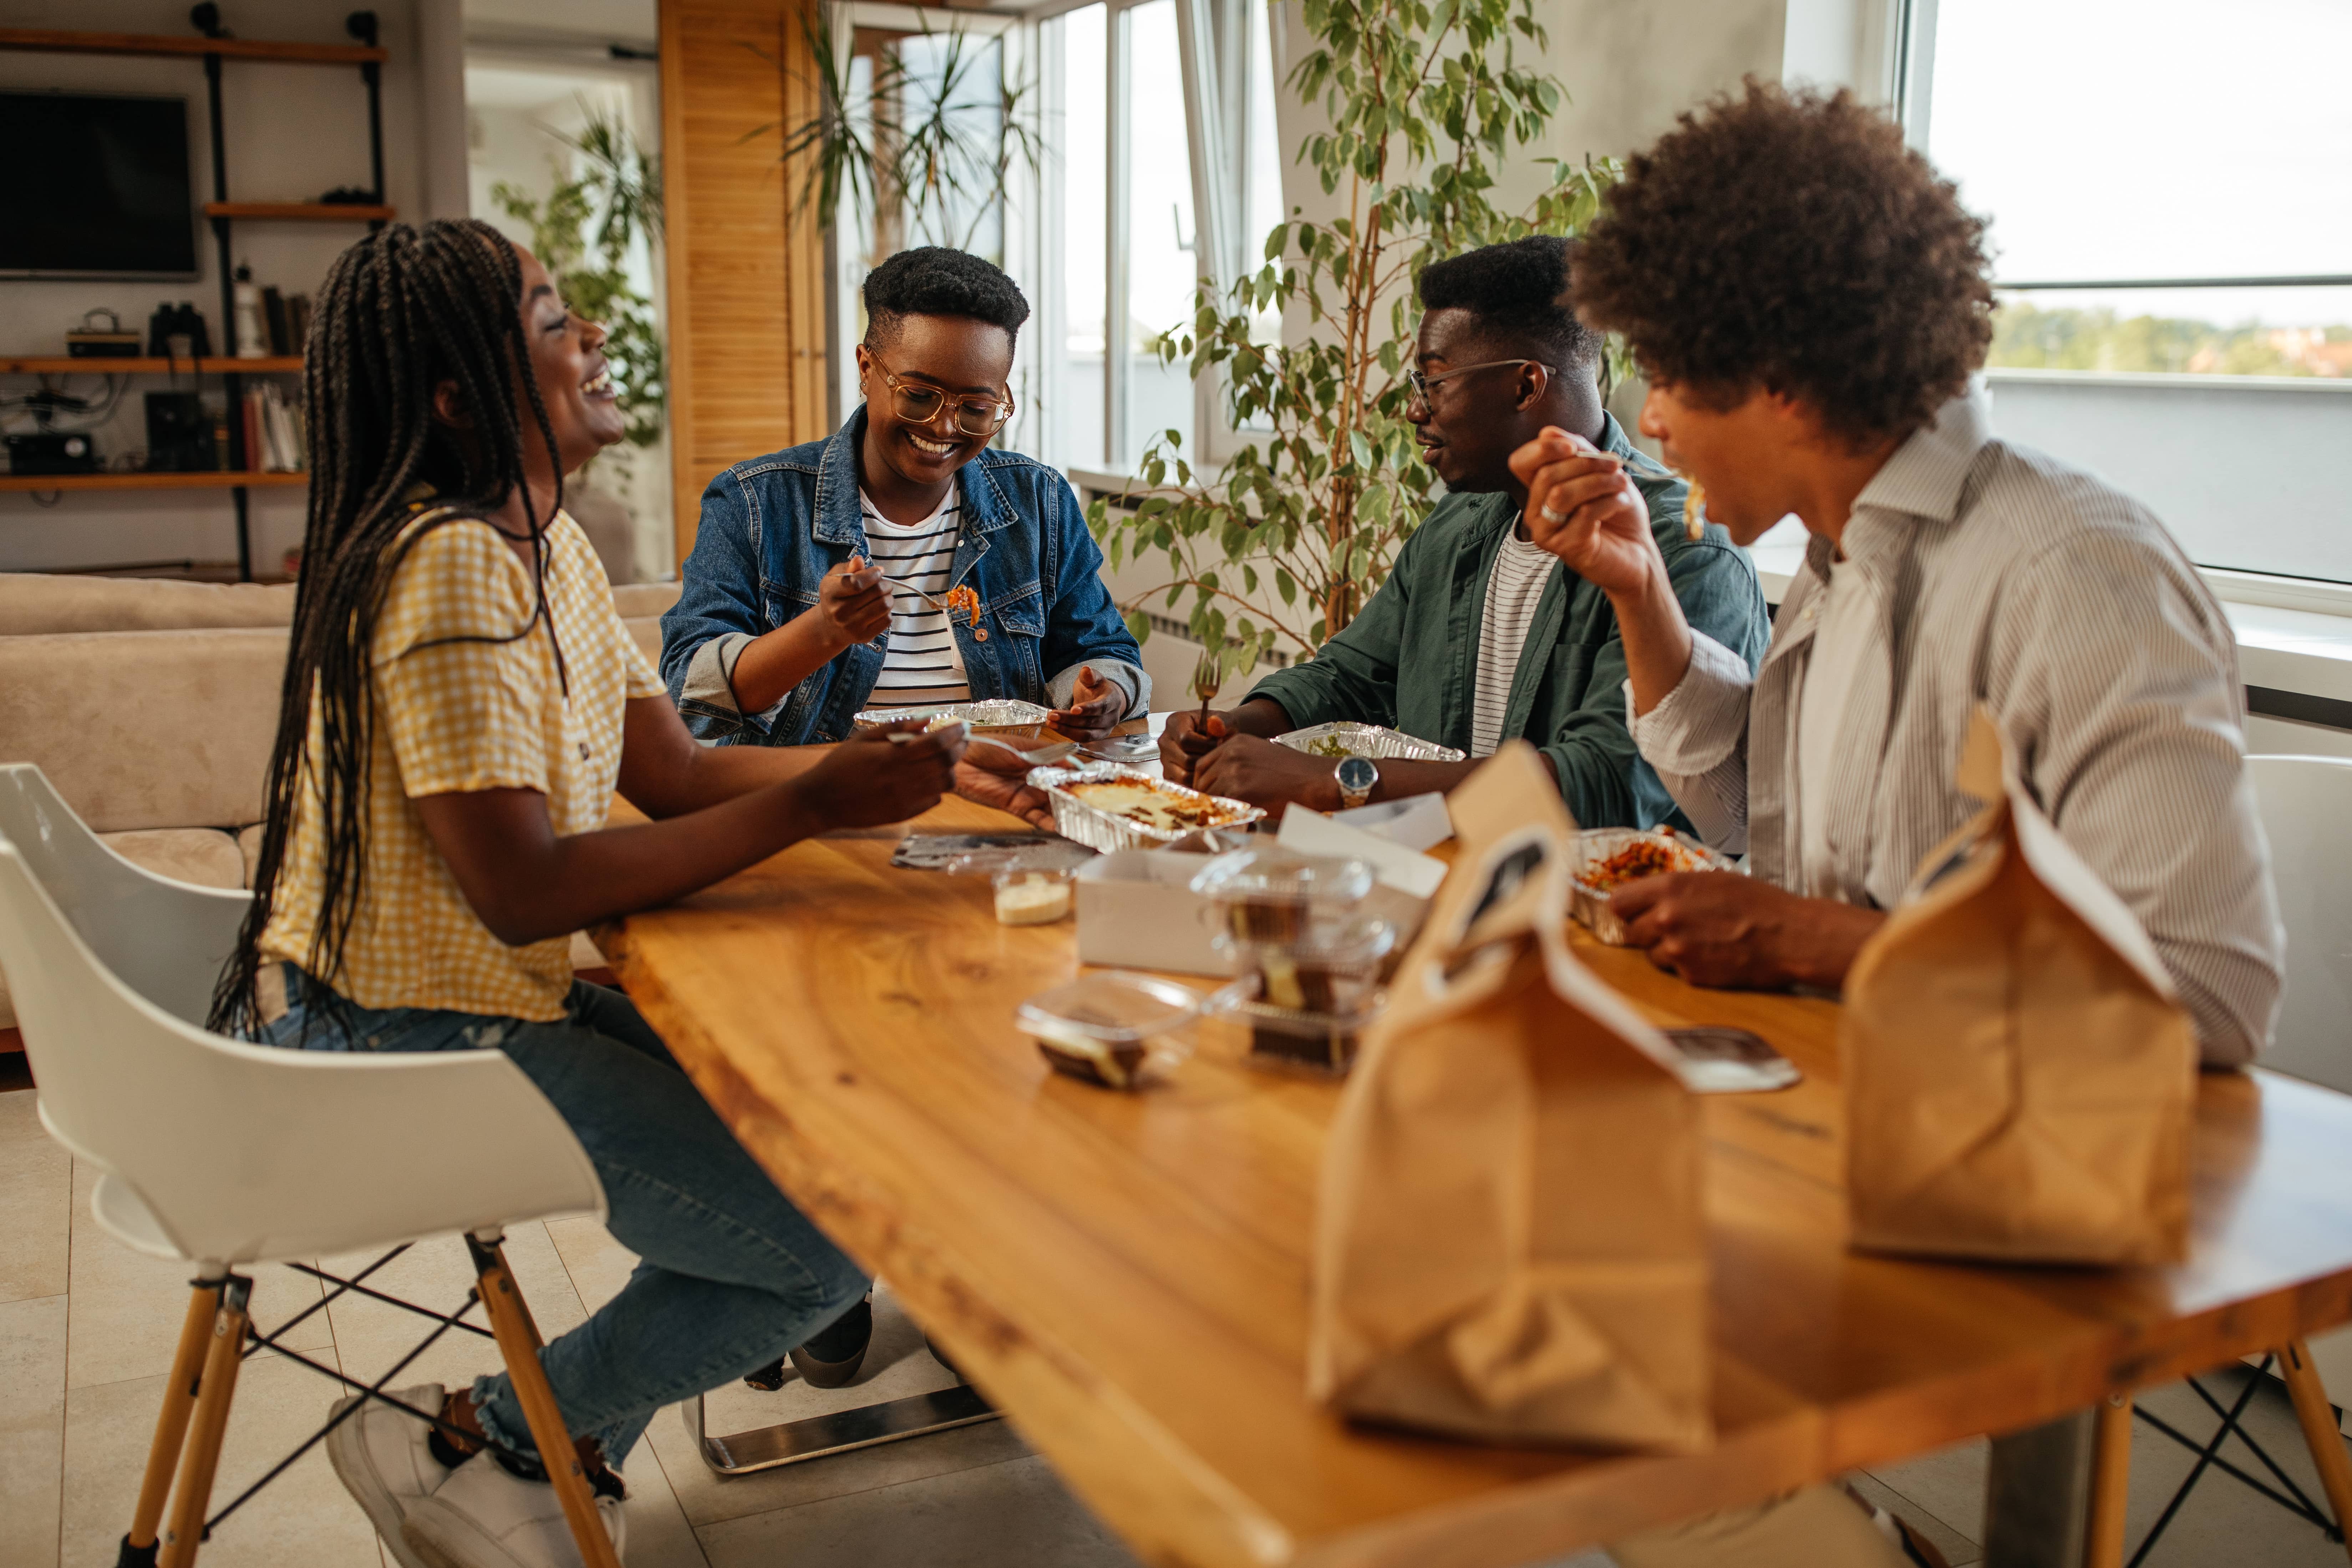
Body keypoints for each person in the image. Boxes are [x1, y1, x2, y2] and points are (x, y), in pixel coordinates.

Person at [1512, 80, 2282, 1568]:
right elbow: (1756, 799)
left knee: (1581, 1347)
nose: (1649, 421)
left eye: (1669, 377)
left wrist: (1814, 935)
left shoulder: (2074, 570)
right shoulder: (1845, 554)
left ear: (1788, 384)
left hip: (2032, 1186)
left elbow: (2204, 991)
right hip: (1842, 1122)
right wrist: (1636, 589)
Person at [212, 219, 967, 1568]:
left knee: (811, 1172)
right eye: (557, 322)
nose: (596, 335)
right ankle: (486, 1435)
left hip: (489, 998)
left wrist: (856, 768)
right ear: (458, 395)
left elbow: (671, 773)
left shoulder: (549, 541)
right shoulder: (444, 561)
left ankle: (512, 1444)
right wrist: (809, 800)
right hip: (395, 1031)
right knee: (815, 1256)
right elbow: (519, 889)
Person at [1157, 235, 1770, 827]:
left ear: (1526, 385)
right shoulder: (1458, 524)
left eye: (1434, 381)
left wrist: (1332, 781)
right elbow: (1352, 676)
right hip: (1444, 875)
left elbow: (1604, 787)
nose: (1415, 410)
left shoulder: (1689, 553)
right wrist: (1240, 725)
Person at [662, 246, 1149, 744]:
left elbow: (1101, 649)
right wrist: (821, 633)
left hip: (994, 794)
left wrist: (1100, 692)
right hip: (819, 801)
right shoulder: (754, 503)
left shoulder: (1038, 501)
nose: (943, 427)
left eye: (977, 407)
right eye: (918, 395)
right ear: (866, 368)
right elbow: (691, 695)